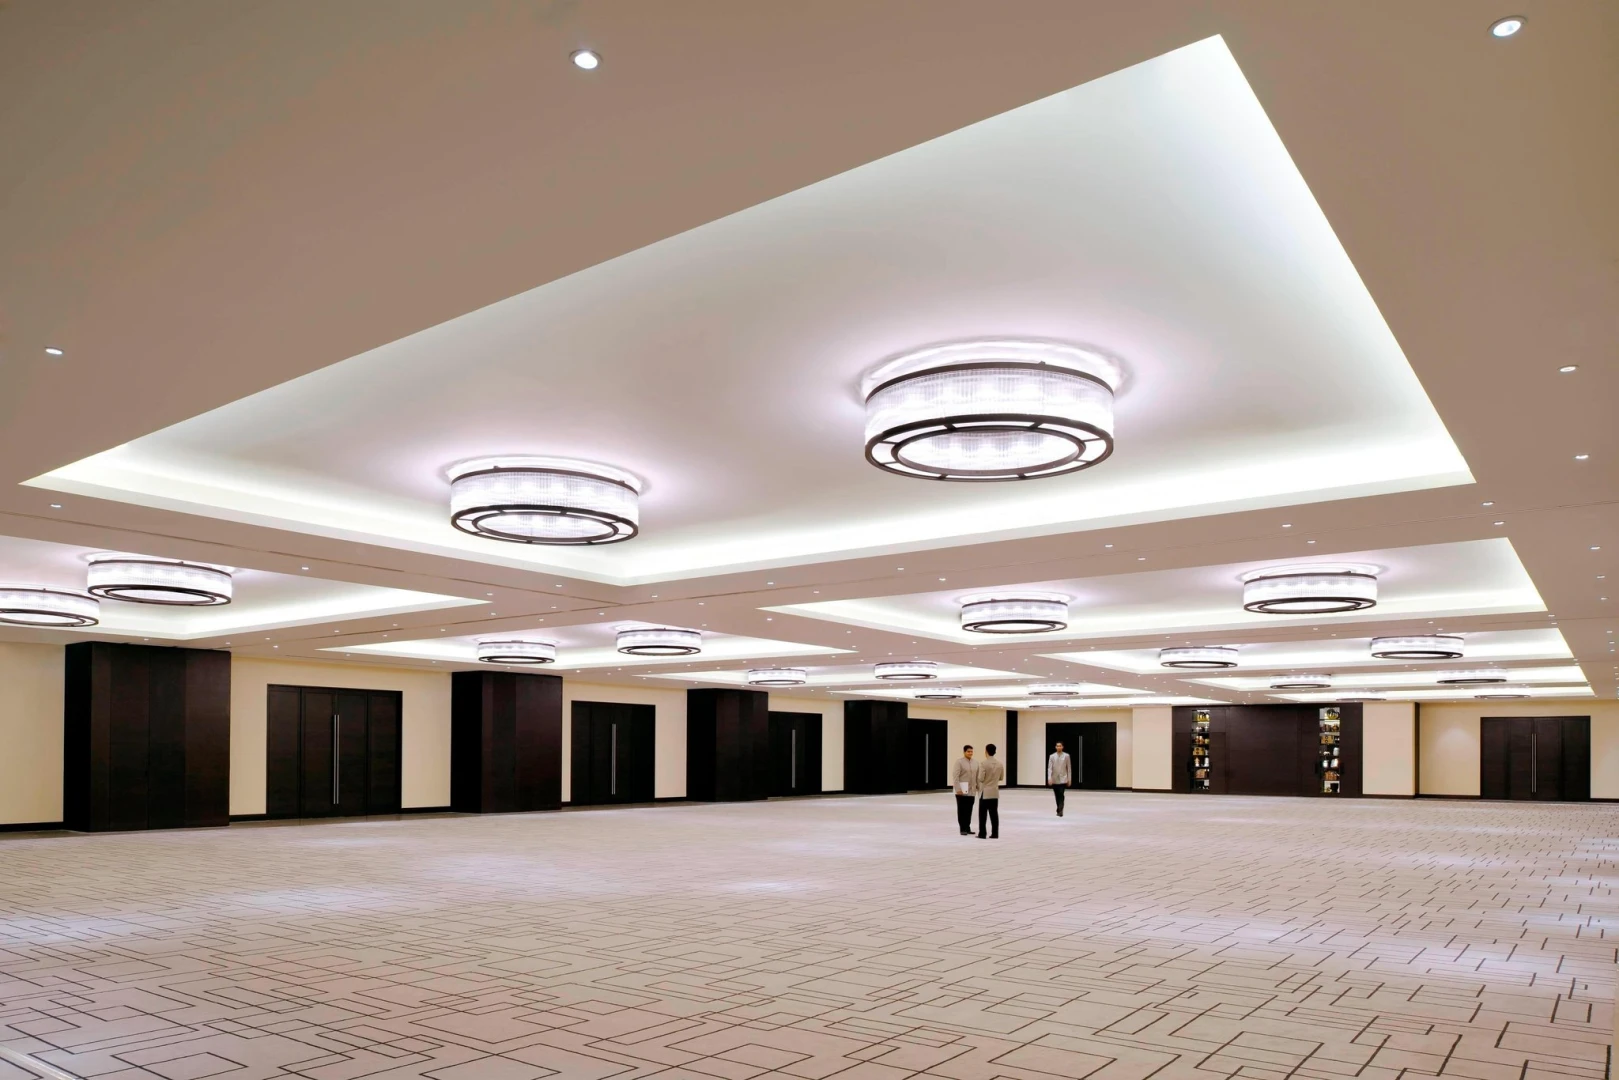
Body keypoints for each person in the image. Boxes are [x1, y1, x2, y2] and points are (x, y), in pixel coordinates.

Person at [976, 743, 1005, 839]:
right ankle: (995, 833)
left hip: (985, 792)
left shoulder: (983, 763)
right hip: (994, 792)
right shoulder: (1000, 764)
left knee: (982, 814)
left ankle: (982, 833)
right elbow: (1001, 777)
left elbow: (981, 778)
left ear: (986, 751)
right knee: (994, 814)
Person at [949, 745, 977, 835]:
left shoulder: (975, 762)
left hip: (971, 790)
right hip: (961, 790)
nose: (970, 753)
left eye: (971, 751)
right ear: (964, 752)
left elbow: (977, 776)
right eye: (968, 751)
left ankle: (968, 827)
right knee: (962, 810)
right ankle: (962, 828)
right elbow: (955, 776)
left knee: (969, 810)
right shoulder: (959, 762)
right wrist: (958, 789)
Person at [1047, 741, 1072, 817]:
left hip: (1063, 778)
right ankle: (1058, 808)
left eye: (1060, 746)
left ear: (1062, 747)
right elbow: (1050, 768)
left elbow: (1069, 768)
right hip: (1054, 778)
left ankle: (1061, 810)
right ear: (1055, 747)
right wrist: (1049, 778)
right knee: (1057, 795)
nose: (1058, 747)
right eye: (1057, 746)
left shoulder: (1066, 756)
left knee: (1061, 794)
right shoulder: (1052, 756)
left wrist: (1069, 779)